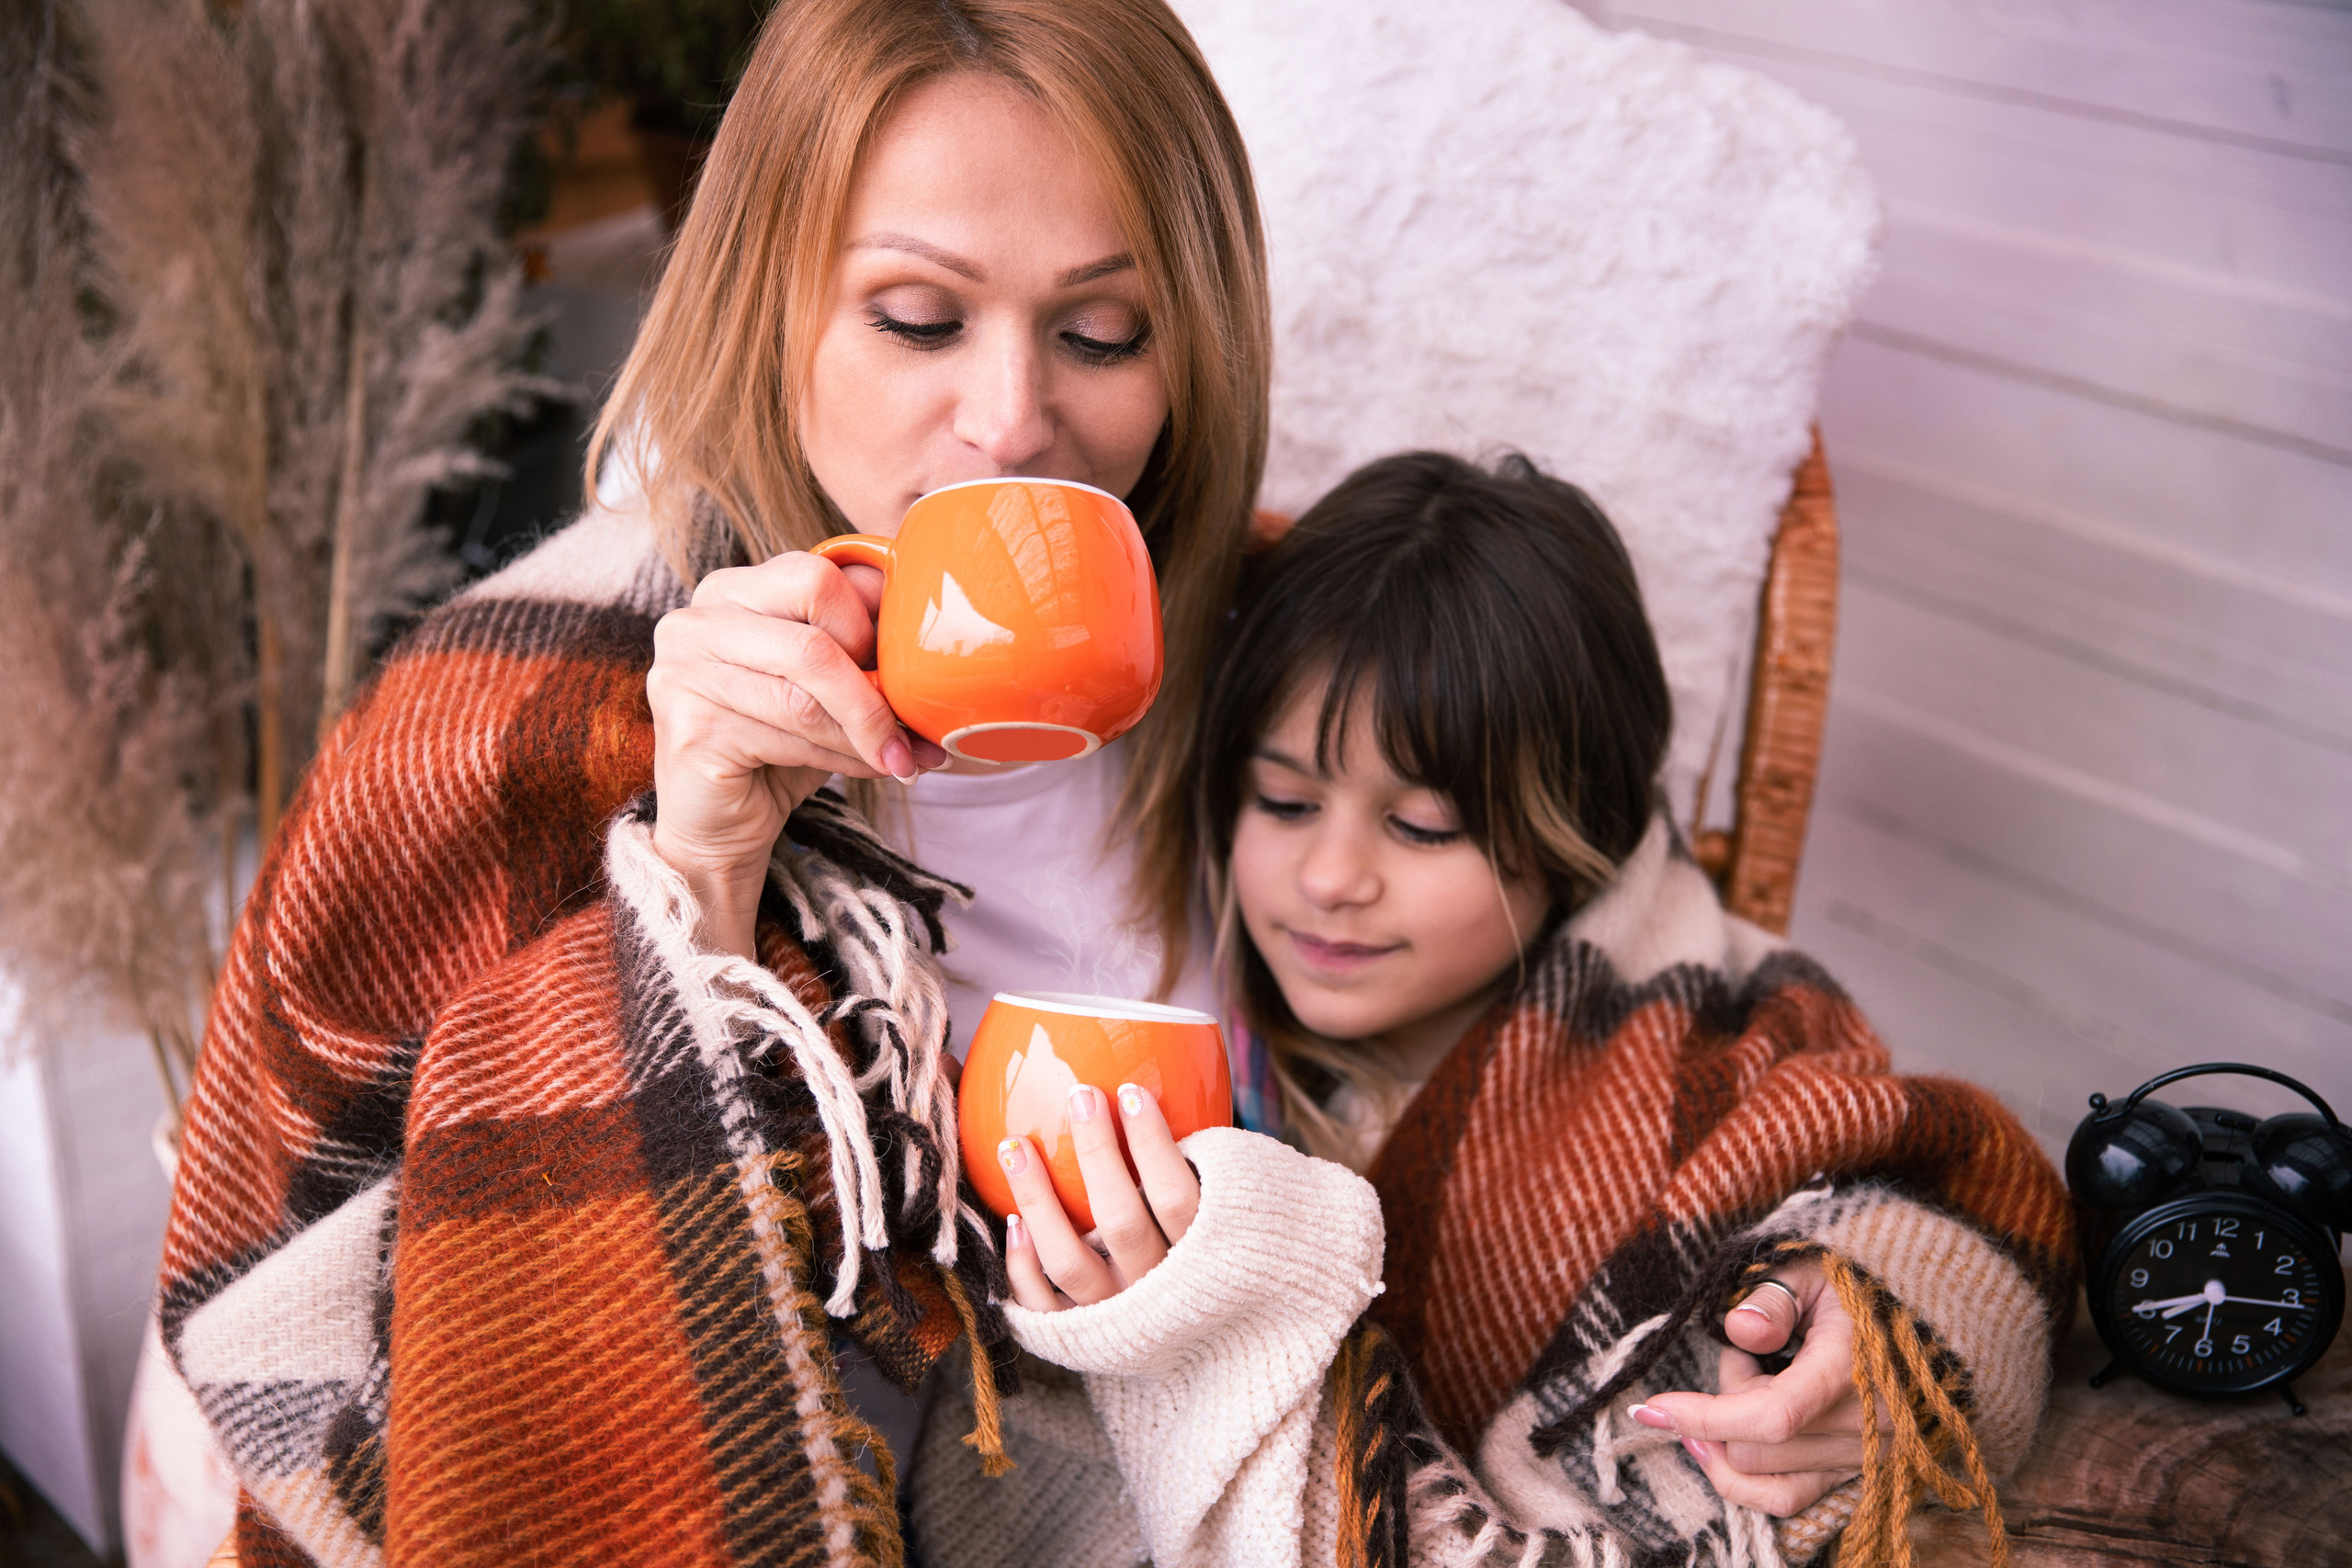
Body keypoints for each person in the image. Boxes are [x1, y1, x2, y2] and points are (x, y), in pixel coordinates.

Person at [154, 3, 2001, 1562]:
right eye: (914, 315)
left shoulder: (1286, 652)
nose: (1013, 419)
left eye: (1101, 333)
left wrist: (1856, 1308)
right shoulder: (530, 713)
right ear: (764, 310)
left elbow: (1703, 1006)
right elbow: (297, 1339)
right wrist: (697, 871)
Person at [915, 452, 2074, 1567]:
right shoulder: (1186, 1037)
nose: (1331, 879)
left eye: (1422, 827)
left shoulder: (1707, 1041)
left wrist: (1883, 1323)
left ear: (1576, 833)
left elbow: (1920, 1178)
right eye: (1282, 800)